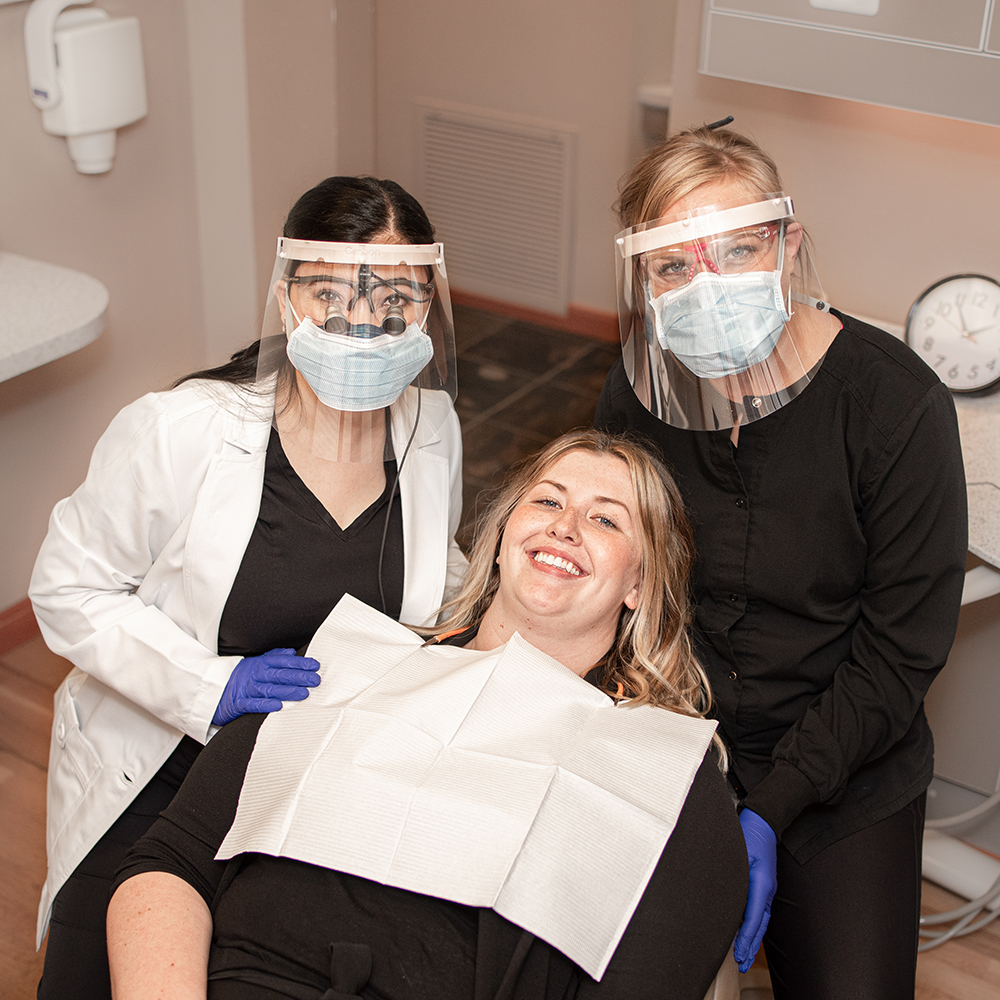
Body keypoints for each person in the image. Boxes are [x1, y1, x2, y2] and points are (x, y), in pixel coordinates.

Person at [106, 429, 748, 1000]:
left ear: (640, 583)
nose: (566, 526)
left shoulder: (662, 774)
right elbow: (169, 864)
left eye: (607, 521)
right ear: (499, 541)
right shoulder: (344, 664)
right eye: (548, 501)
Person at [29, 175, 466, 1000]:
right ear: (283, 296)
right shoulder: (182, 430)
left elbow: (436, 579)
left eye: (396, 297)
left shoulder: (430, 429)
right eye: (330, 291)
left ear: (427, 305)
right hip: (161, 763)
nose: (363, 321)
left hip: (316, 774)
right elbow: (65, 590)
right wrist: (211, 685)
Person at [595, 122, 968, 998]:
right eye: (673, 266)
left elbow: (900, 653)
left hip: (846, 758)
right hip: (679, 742)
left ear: (788, 245)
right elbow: (620, 579)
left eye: (736, 249)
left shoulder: (894, 405)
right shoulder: (639, 390)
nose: (705, 285)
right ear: (644, 278)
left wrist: (773, 803)